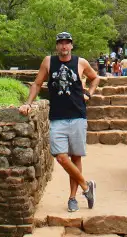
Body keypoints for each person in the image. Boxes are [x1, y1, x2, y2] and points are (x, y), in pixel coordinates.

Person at [19, 31, 99, 212]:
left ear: (71, 45)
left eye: (67, 43)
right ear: (57, 46)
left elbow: (95, 78)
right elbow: (37, 83)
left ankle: (72, 198)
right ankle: (87, 187)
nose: (64, 46)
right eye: (60, 43)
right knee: (61, 157)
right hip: (57, 117)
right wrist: (28, 103)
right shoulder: (49, 62)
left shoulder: (81, 62)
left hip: (78, 115)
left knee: (76, 156)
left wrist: (89, 94)